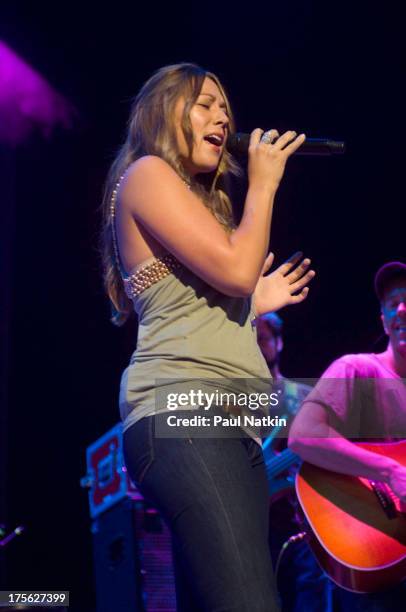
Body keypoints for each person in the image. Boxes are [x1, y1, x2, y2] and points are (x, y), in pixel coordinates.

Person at [101, 62, 315, 612]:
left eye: (225, 109)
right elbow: (237, 271)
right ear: (164, 114)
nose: (222, 117)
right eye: (204, 105)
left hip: (230, 427)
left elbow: (222, 289)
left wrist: (250, 304)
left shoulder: (201, 207)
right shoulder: (147, 173)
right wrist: (265, 184)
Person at [288, 261, 406, 611]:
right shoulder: (357, 369)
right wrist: (389, 471)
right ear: (383, 320)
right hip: (374, 552)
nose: (401, 308)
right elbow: (303, 435)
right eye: (393, 302)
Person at [256, 313, 332, 611]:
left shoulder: (302, 397)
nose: (257, 347)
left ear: (279, 341)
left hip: (303, 524)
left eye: (262, 338)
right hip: (256, 531)